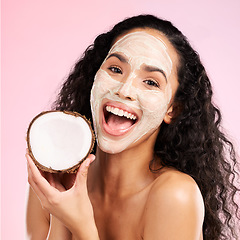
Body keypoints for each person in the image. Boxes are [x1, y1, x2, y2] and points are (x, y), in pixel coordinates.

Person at [26, 14, 240, 240]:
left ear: (172, 109)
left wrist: (81, 226)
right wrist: (60, 214)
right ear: (94, 78)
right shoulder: (53, 179)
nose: (124, 90)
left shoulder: (175, 196)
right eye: (115, 69)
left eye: (151, 82)